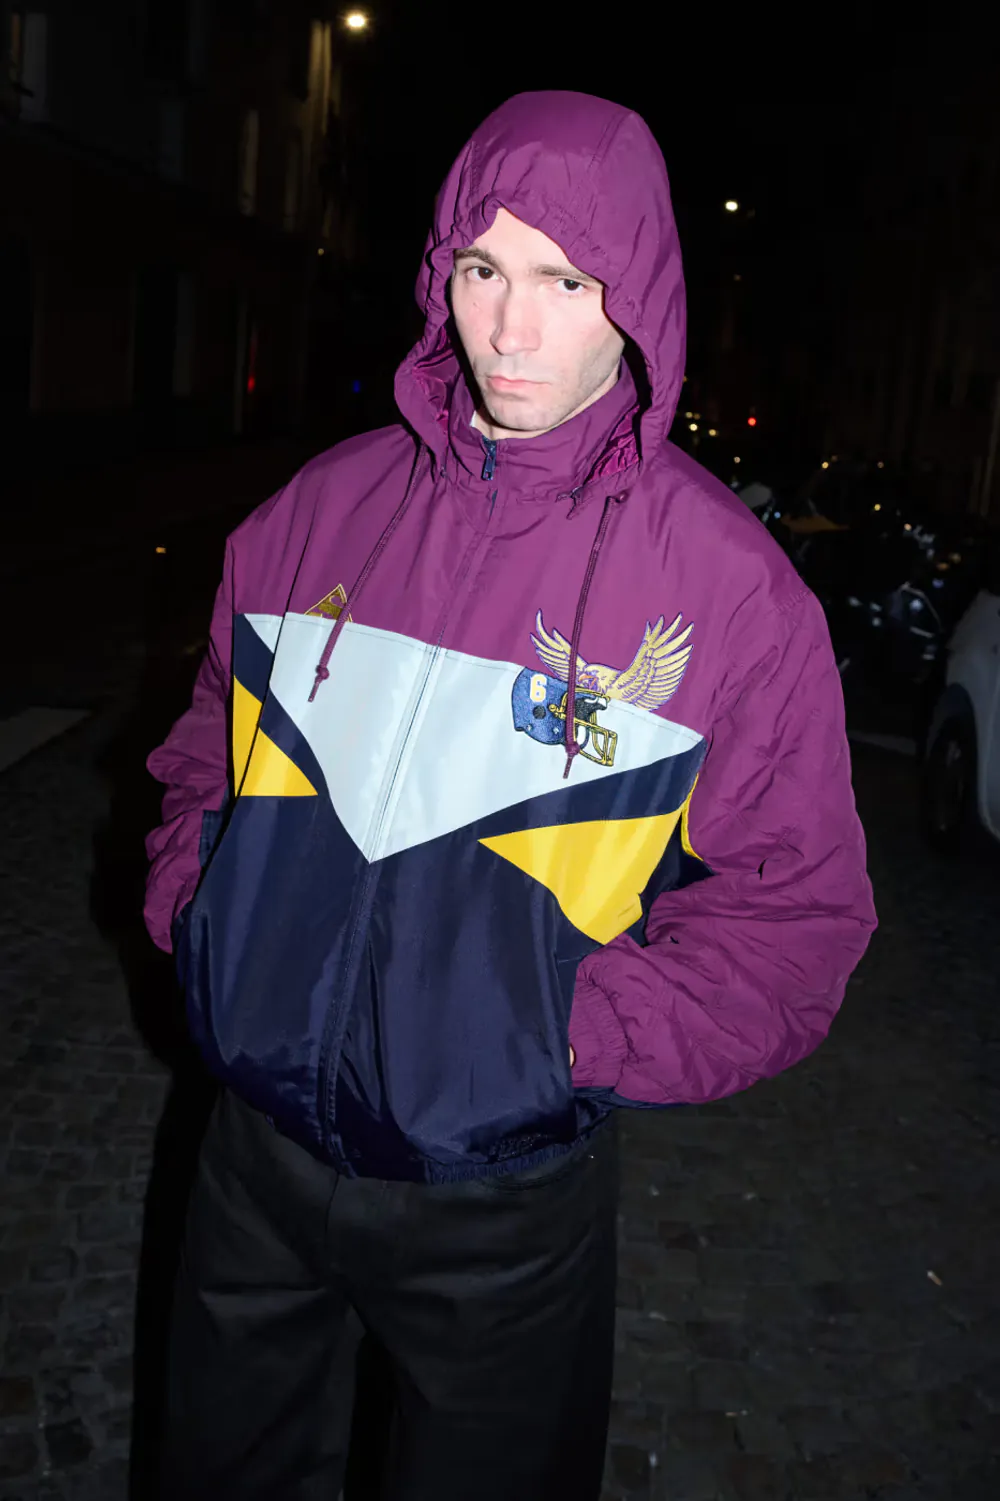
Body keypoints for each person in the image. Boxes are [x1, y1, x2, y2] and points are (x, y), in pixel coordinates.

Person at [145, 90, 876, 1501]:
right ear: (442, 270)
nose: (512, 330)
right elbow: (197, 758)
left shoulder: (731, 591)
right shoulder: (315, 512)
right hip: (255, 1163)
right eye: (484, 269)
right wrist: (211, 919)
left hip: (502, 1202)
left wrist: (554, 1041)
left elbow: (796, 921)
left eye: (566, 281)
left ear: (635, 302)